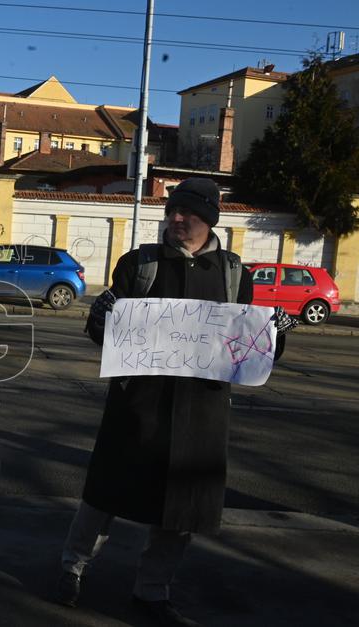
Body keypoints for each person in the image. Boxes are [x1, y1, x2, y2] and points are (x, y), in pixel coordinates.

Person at [54, 178, 293, 627]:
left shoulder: (234, 273)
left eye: (191, 214)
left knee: (180, 508)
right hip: (137, 406)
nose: (178, 219)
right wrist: (100, 318)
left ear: (211, 221)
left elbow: (246, 350)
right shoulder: (139, 263)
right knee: (103, 495)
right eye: (174, 211)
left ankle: (152, 591)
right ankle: (72, 567)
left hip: (200, 414)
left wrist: (275, 335)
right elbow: (105, 336)